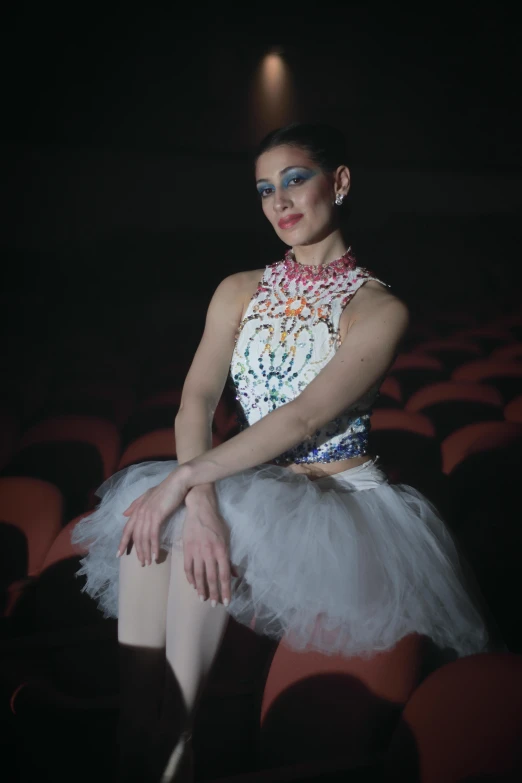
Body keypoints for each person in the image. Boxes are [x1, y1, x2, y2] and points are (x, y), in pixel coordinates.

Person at [71, 122, 491, 782]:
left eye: (295, 178)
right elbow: (194, 400)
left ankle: (176, 741)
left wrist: (188, 484)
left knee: (190, 509)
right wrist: (199, 495)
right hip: (248, 484)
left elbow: (304, 416)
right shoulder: (238, 288)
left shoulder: (380, 307)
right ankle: (142, 724)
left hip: (339, 500)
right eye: (265, 189)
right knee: (163, 517)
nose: (279, 201)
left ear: (341, 182)